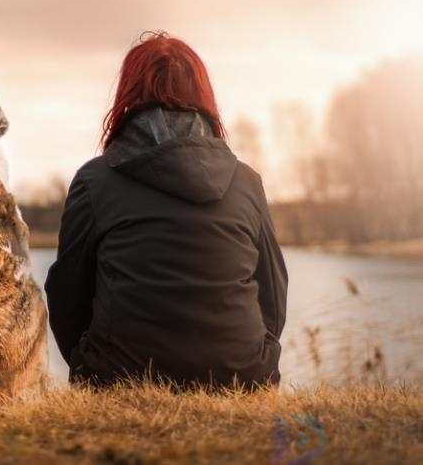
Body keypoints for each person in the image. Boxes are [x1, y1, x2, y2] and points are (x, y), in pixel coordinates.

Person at [44, 32, 287, 389]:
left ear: (128, 96)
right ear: (203, 96)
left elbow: (67, 295)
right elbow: (274, 295)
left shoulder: (94, 181)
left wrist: (88, 363)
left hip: (119, 377)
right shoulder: (246, 182)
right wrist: (251, 357)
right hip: (241, 377)